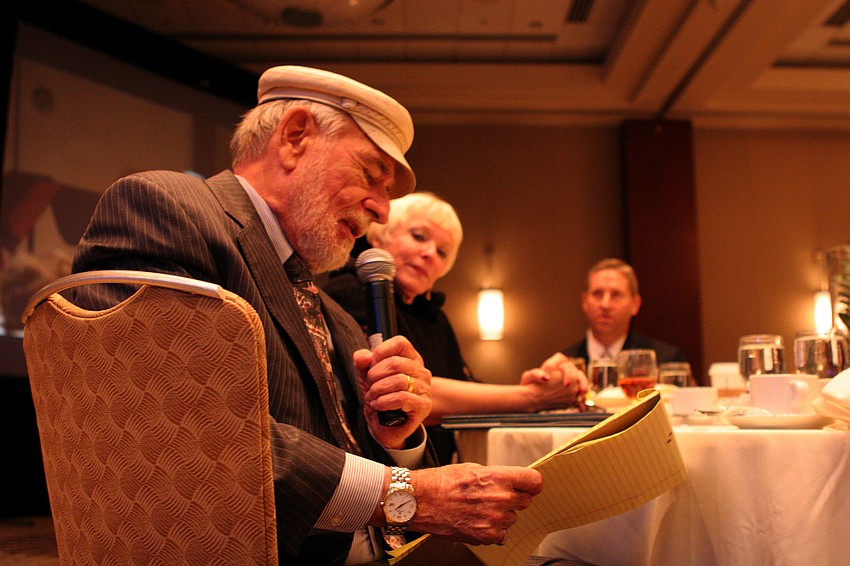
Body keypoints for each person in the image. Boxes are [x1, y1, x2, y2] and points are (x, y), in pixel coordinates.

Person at [70, 65, 542, 565]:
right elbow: (181, 427)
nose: (383, 211)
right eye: (370, 175)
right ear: (295, 138)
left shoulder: (333, 313)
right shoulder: (167, 208)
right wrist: (410, 492)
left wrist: (398, 438)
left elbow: (362, 468)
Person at [323, 192, 588, 464]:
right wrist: (530, 397)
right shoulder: (348, 292)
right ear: (380, 237)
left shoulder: (434, 318)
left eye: (442, 252)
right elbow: (408, 391)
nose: (429, 254)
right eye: (418, 236)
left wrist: (534, 383)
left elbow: (467, 390)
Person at [561, 258, 684, 366]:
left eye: (616, 295)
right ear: (585, 302)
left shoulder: (663, 360)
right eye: (597, 294)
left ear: (635, 305)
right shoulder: (565, 364)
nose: (605, 304)